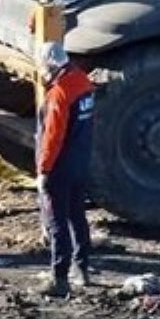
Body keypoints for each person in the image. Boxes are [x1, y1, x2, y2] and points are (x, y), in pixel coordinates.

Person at [36, 42, 96, 298]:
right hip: (81, 162)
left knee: (57, 221)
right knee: (77, 216)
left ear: (50, 65)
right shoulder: (83, 83)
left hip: (60, 166)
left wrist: (44, 169)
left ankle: (59, 278)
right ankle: (81, 268)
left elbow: (53, 136)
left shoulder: (59, 93)